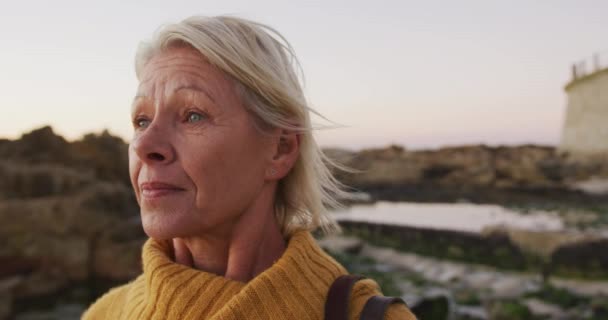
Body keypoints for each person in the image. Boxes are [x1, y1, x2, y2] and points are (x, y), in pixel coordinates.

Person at [83, 15, 416, 320]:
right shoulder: (104, 314)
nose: (143, 145)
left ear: (281, 149)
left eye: (193, 115)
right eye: (141, 120)